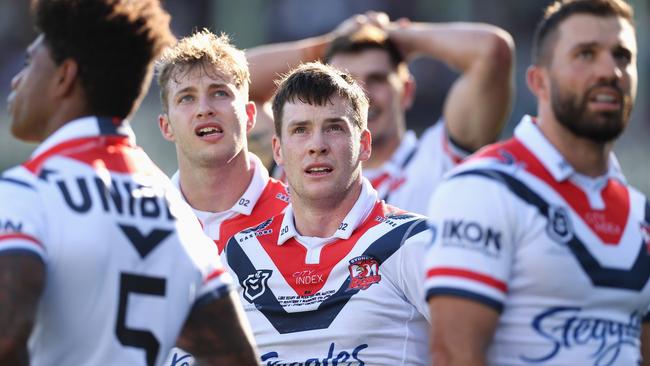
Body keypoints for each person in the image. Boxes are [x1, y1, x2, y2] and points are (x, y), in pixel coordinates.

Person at [0, 1, 258, 365]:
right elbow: (238, 359)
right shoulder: (179, 217)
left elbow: (6, 341)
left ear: (65, 77)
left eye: (28, 64)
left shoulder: (26, 194)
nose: (15, 80)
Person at [424, 0, 650, 365]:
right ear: (538, 81)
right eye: (586, 54)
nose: (610, 71)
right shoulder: (481, 187)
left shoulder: (640, 212)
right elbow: (453, 354)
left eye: (622, 56)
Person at [224, 62, 432, 365]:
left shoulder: (413, 242)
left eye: (334, 128)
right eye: (300, 130)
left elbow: (481, 349)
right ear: (278, 150)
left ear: (363, 144)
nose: (317, 146)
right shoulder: (238, 255)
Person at [246, 12, 514, 215]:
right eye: (346, 80)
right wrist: (325, 46)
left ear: (407, 91)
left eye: (377, 79)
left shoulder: (439, 160)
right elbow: (230, 84)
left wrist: (399, 36)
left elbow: (492, 51)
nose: (362, 94)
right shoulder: (294, 158)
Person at [156, 29, 289, 255]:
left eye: (219, 93)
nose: (204, 109)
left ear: (250, 115)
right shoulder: (148, 223)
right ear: (166, 127)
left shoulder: (300, 216)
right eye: (186, 98)